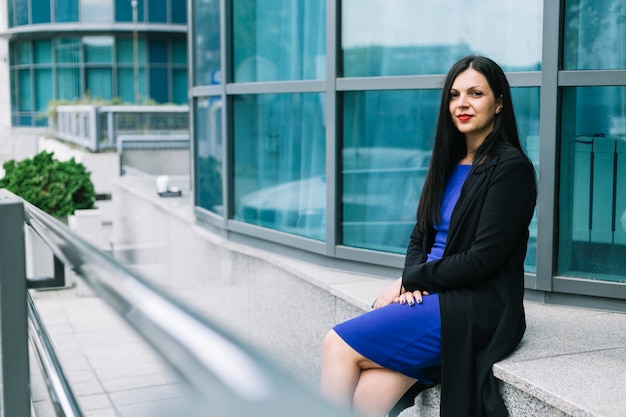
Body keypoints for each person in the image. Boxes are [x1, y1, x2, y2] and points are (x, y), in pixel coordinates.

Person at [320, 55, 537, 417]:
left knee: (337, 344)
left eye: (475, 93)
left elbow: (482, 261)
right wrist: (411, 280)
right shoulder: (447, 162)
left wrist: (412, 279)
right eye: (454, 94)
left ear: (499, 102)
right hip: (432, 293)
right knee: (365, 400)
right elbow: (419, 236)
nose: (462, 103)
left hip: (474, 303)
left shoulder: (511, 169)